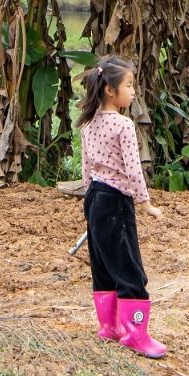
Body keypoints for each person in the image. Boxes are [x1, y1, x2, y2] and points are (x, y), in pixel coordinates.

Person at [78, 54, 167, 357]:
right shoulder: (123, 125)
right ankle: (136, 334)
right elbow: (133, 169)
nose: (133, 92)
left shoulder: (87, 124)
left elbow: (86, 168)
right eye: (129, 85)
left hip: (95, 199)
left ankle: (109, 326)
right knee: (129, 268)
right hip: (116, 200)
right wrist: (146, 204)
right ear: (109, 90)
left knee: (102, 264)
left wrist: (89, 203)